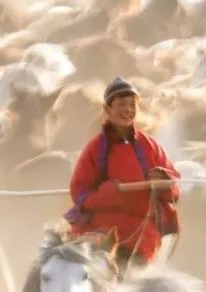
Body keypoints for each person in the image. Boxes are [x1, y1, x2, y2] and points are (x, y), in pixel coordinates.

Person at [66, 77, 181, 266]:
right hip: (100, 231)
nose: (127, 110)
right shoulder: (95, 148)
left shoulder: (151, 146)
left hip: (142, 234)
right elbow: (79, 193)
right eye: (121, 104)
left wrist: (164, 181)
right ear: (107, 109)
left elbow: (175, 189)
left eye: (132, 104)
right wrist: (107, 194)